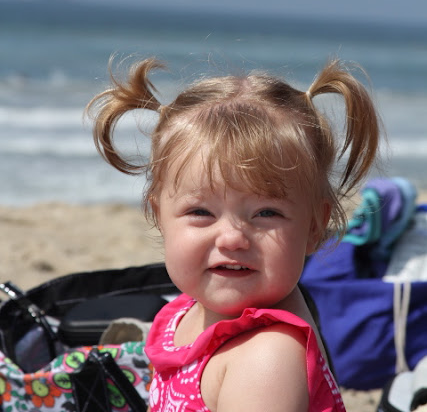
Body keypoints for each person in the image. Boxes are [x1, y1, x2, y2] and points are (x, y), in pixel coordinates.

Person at [87, 56, 380, 412]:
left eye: (266, 213)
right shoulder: (187, 311)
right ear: (158, 215)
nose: (231, 238)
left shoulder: (266, 358)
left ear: (315, 226)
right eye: (201, 212)